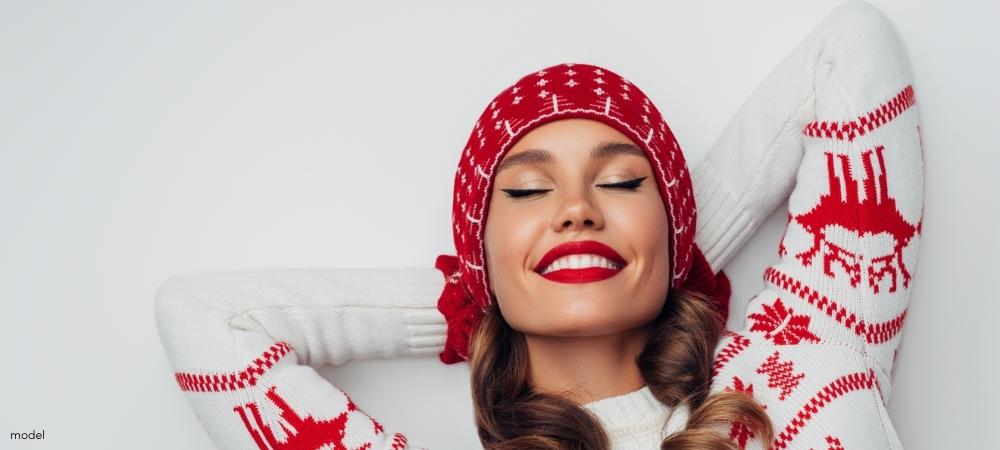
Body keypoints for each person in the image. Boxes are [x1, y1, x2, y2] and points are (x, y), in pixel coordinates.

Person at [154, 1, 924, 449]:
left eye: (622, 181)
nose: (577, 208)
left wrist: (672, 248)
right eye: (525, 193)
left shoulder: (799, 366)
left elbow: (850, 51)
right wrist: (473, 297)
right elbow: (209, 321)